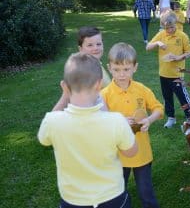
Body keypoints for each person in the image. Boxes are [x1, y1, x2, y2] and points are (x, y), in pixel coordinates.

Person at [38, 52, 138, 208]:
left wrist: (65, 96)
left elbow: (43, 138)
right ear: (99, 85)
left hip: (72, 200)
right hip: (112, 197)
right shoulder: (116, 121)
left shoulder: (53, 121)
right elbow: (131, 152)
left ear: (65, 86)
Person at [100, 42, 164, 208]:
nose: (121, 74)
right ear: (109, 68)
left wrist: (149, 120)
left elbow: (158, 108)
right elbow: (98, 121)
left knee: (146, 193)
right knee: (116, 193)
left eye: (126, 69)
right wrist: (118, 120)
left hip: (141, 152)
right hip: (117, 154)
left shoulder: (141, 90)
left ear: (135, 67)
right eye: (116, 69)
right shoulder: (104, 95)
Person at [146, 11, 190, 128]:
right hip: (163, 73)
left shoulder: (182, 36)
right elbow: (147, 47)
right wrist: (157, 43)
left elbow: (189, 53)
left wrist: (178, 57)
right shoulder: (161, 34)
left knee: (183, 98)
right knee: (167, 98)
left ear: (175, 24)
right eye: (167, 28)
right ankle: (171, 118)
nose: (169, 30)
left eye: (171, 27)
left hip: (177, 74)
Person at [52, 26, 111, 111]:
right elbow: (69, 96)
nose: (95, 48)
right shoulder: (82, 71)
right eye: (90, 45)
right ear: (80, 49)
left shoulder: (97, 64)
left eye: (99, 44)